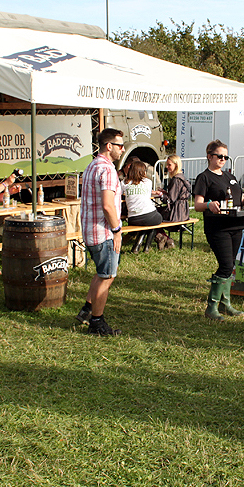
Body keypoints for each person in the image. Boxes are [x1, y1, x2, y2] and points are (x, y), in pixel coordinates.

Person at [75, 128, 124, 336]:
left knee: (102, 273)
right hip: (103, 232)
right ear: (109, 146)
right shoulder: (108, 169)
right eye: (120, 145)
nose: (122, 149)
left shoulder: (92, 165)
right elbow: (107, 205)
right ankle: (97, 322)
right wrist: (117, 230)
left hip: (90, 230)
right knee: (107, 275)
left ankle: (87, 309)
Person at [193, 140, 244, 321]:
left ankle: (225, 304)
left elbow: (240, 198)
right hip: (217, 227)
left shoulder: (230, 176)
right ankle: (212, 306)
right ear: (209, 156)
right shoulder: (204, 177)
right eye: (219, 156)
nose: (223, 159)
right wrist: (209, 204)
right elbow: (197, 205)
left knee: (230, 265)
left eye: (226, 156)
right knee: (225, 265)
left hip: (236, 225)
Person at [120, 160, 173, 250]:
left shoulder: (124, 183)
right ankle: (145, 247)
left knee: (146, 223)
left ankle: (137, 246)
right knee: (153, 222)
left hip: (133, 218)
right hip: (149, 214)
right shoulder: (148, 182)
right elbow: (146, 195)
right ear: (142, 171)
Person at [156, 154, 192, 249]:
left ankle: (164, 238)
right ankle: (166, 239)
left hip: (175, 214)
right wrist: (166, 192)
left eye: (169, 165)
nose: (167, 167)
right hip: (183, 212)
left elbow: (170, 200)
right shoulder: (182, 178)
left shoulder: (176, 180)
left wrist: (160, 195)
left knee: (152, 215)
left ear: (176, 165)